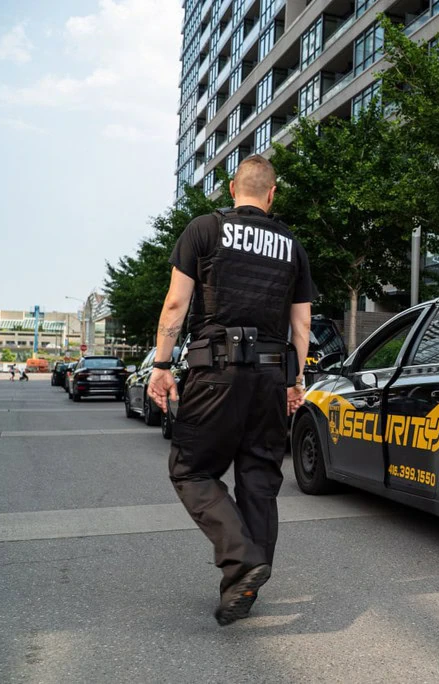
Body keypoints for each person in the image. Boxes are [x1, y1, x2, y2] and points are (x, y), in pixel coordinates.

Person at [147, 155, 314, 626]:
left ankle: (240, 561)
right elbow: (300, 325)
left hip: (216, 371)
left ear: (229, 187)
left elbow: (177, 303)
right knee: (259, 480)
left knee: (191, 469)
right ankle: (241, 585)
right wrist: (294, 380)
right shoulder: (292, 247)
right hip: (269, 377)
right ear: (272, 194)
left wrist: (161, 364)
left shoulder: (203, 229)